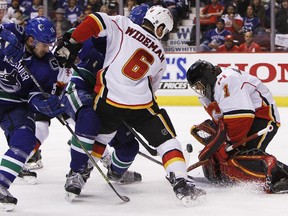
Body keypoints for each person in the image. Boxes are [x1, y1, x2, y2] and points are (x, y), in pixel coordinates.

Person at [55, 5, 206, 204]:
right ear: (160, 27)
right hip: (141, 103)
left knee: (101, 137)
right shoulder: (160, 53)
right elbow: (153, 87)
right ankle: (180, 182)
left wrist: (73, 40)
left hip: (109, 99)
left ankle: (80, 174)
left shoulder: (123, 25)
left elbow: (95, 19)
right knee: (167, 141)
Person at [186, 59, 288, 193]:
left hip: (263, 117)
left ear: (207, 77)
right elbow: (225, 118)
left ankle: (279, 177)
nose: (199, 89)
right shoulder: (216, 84)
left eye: (199, 85)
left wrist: (225, 141)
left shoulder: (227, 80)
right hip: (251, 117)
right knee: (234, 154)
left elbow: (242, 117)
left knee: (242, 155)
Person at [0, 16, 65, 211]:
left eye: (50, 45)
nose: (48, 49)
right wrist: (3, 38)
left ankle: (1, 184)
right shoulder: (13, 32)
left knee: (25, 141)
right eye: (44, 45)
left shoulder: (48, 65)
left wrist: (43, 105)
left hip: (14, 106)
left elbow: (36, 95)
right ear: (30, 40)